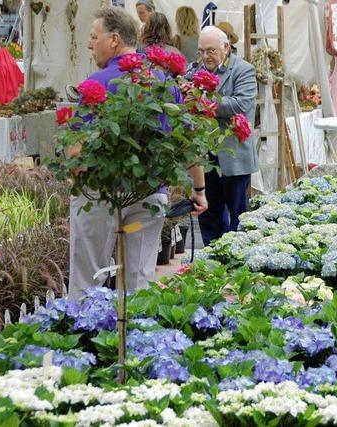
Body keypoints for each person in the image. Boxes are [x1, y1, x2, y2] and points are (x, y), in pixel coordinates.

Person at [68, 7, 207, 300]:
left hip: (100, 195)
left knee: (86, 280)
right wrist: (199, 189)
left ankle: (83, 343)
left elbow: (76, 151)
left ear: (114, 39)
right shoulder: (165, 82)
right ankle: (134, 342)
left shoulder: (99, 82)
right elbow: (186, 142)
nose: (90, 44)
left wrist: (76, 179)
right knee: (139, 284)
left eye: (94, 37)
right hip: (148, 194)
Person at [184, 26, 258, 245]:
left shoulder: (243, 70)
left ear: (226, 47)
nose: (205, 56)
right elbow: (181, 87)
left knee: (239, 216)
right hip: (206, 154)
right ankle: (212, 259)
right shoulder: (196, 68)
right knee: (209, 214)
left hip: (234, 155)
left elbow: (241, 104)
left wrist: (202, 103)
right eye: (201, 51)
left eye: (211, 51)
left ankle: (236, 260)